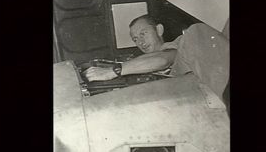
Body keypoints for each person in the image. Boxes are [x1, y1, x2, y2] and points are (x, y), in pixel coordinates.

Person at [84, 14, 229, 101]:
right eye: (135, 39)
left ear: (159, 30)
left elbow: (163, 60)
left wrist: (112, 71)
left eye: (143, 34)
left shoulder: (175, 46)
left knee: (195, 31)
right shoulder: (141, 65)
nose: (140, 42)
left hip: (202, 87)